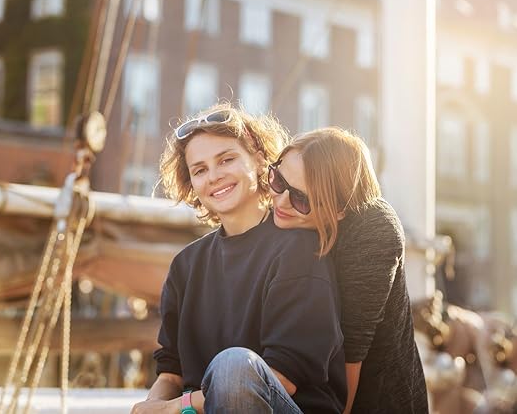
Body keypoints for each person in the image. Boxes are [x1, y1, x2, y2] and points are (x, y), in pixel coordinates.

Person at [131, 105, 347, 414]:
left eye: (226, 159)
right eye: (200, 170)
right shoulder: (185, 266)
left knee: (234, 366)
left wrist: (177, 408)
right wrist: (152, 406)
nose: (215, 176)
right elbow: (170, 372)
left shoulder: (299, 249)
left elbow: (282, 377)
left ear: (259, 159)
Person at [269, 127, 429, 414]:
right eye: (278, 179)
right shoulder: (285, 212)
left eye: (301, 199)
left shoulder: (374, 230)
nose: (279, 201)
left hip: (373, 401)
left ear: (340, 209)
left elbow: (351, 352)